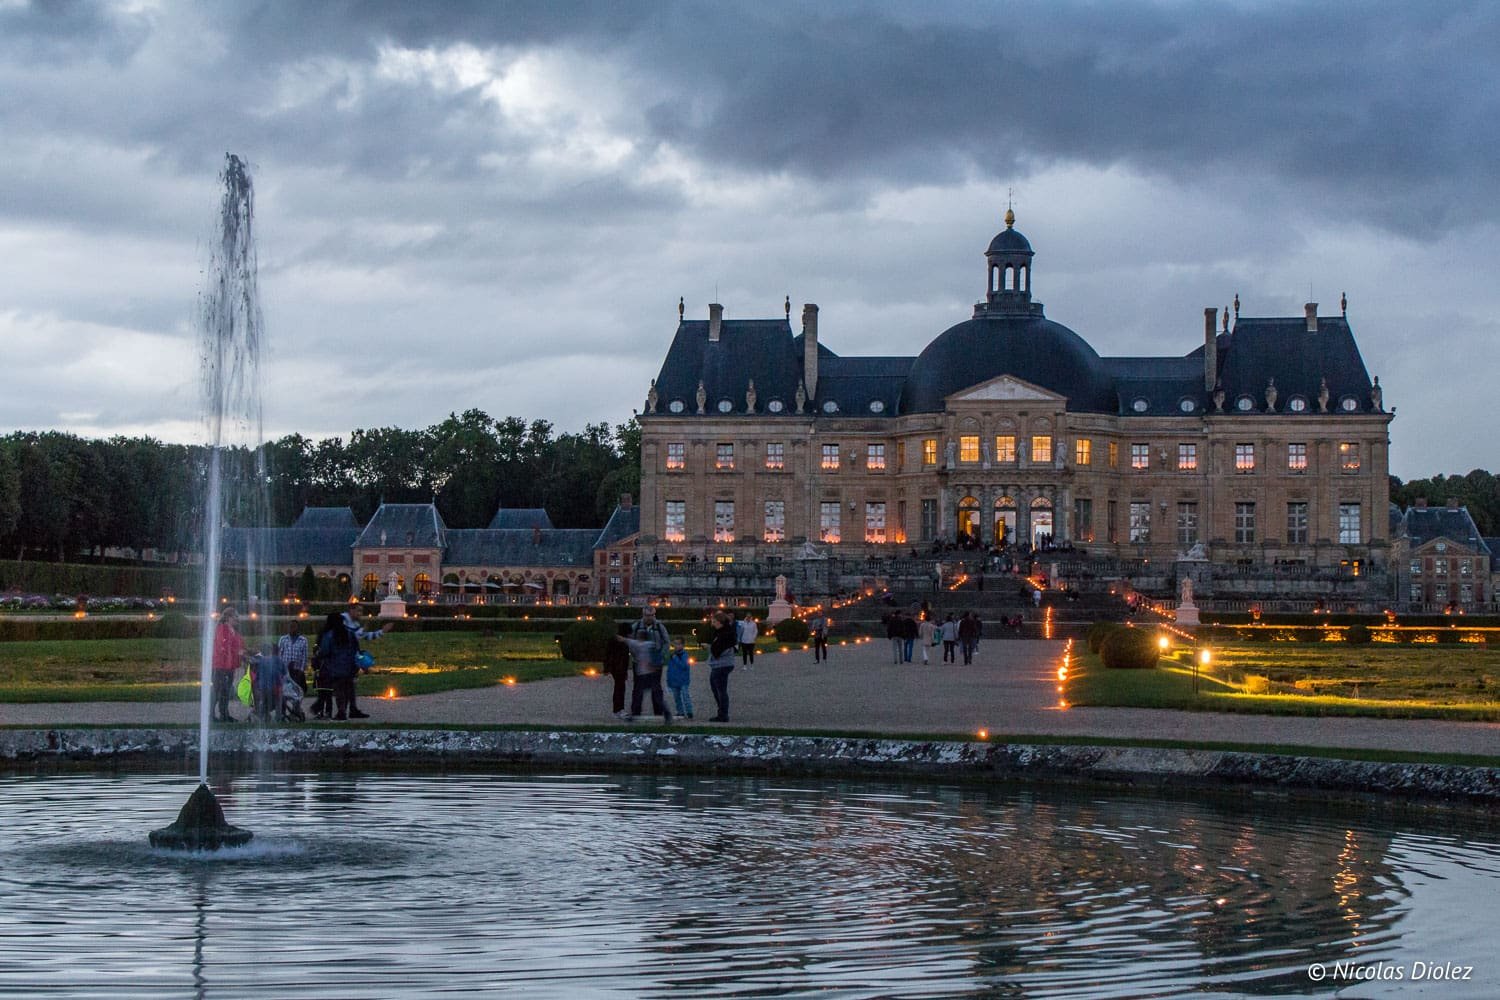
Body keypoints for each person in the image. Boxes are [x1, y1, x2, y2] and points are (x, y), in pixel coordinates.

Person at [338, 608, 389, 720]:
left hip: (351, 661)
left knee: (350, 686)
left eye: (361, 611)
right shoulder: (344, 622)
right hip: (344, 661)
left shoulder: (353, 624)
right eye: (357, 610)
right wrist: (363, 630)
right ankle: (343, 711)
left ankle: (350, 710)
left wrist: (382, 631)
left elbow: (365, 636)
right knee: (344, 687)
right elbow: (354, 636)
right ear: (351, 611)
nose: (359, 613)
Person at [314, 612, 360, 721]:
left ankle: (341, 711)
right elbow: (356, 649)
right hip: (349, 665)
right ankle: (346, 709)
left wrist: (318, 655)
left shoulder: (329, 635)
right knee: (347, 688)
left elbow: (325, 651)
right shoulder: (349, 634)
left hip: (335, 666)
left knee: (339, 690)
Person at [625, 630, 672, 724]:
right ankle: (667, 714)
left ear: (640, 637)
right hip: (653, 674)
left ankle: (633, 714)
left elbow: (627, 641)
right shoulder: (651, 645)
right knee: (657, 696)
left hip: (644, 674)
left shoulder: (641, 645)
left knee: (638, 695)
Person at [211, 607, 246, 723]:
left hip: (230, 665)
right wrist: (238, 652)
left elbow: (238, 645)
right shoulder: (222, 629)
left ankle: (224, 714)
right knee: (217, 690)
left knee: (225, 691)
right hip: (221, 665)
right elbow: (223, 647)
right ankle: (211, 715)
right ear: (228, 617)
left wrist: (243, 652)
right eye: (235, 616)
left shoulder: (233, 631)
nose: (237, 618)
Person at [706, 611, 737, 721]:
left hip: (722, 665)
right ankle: (722, 712)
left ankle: (723, 714)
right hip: (721, 664)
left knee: (720, 690)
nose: (712, 624)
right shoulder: (723, 632)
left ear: (720, 622)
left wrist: (709, 647)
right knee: (717, 689)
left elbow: (718, 650)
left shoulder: (725, 634)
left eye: (714, 622)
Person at [250, 643, 287, 724]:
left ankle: (263, 717)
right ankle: (278, 718)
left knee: (264, 702)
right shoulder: (277, 660)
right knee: (278, 702)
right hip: (274, 686)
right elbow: (281, 673)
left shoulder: (261, 661)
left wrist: (256, 686)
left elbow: (257, 676)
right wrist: (280, 682)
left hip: (263, 687)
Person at [604, 624, 632, 718]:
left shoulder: (615, 640)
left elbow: (607, 654)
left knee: (619, 687)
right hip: (618, 667)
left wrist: (607, 668)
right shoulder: (620, 642)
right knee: (620, 688)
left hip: (617, 667)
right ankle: (618, 709)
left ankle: (618, 709)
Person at [277, 619, 309, 702]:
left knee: (297, 692)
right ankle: (283, 711)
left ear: (298, 628)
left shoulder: (303, 640)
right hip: (285, 671)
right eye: (290, 627)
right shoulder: (283, 639)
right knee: (284, 691)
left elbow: (304, 657)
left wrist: (301, 670)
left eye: (294, 626)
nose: (292, 628)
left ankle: (296, 710)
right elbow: (279, 655)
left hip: (297, 671)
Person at [665, 637, 693, 720]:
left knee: (685, 696)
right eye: (675, 644)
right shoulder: (673, 655)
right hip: (674, 681)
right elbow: (670, 669)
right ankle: (680, 712)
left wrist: (676, 658)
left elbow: (684, 666)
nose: (676, 646)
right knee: (677, 698)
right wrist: (669, 680)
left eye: (678, 644)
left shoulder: (684, 655)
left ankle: (689, 712)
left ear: (683, 645)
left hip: (683, 680)